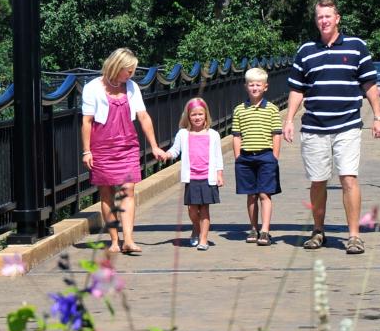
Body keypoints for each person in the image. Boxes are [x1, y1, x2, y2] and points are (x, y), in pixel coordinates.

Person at [282, 0, 380, 254]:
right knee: (318, 181)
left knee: (349, 178)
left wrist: (378, 116)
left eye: (328, 16)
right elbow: (297, 89)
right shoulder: (306, 51)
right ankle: (318, 231)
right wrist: (289, 120)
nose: (324, 21)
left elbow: (369, 85)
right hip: (314, 126)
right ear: (316, 20)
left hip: (348, 125)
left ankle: (353, 236)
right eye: (320, 17)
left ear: (337, 18)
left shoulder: (356, 47)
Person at [80, 48, 168, 255]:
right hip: (101, 146)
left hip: (127, 144)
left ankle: (128, 239)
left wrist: (154, 145)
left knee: (128, 190)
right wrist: (86, 151)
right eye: (128, 71)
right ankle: (114, 240)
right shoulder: (93, 87)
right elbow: (86, 121)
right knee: (107, 193)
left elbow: (143, 116)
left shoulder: (132, 87)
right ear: (117, 67)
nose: (130, 75)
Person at [232, 67, 283, 246]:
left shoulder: (272, 109)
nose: (254, 88)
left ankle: (265, 230)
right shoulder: (239, 110)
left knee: (264, 193)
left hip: (266, 156)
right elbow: (236, 135)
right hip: (246, 157)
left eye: (258, 85)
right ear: (246, 86)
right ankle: (253, 227)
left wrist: (274, 156)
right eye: (251, 85)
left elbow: (276, 133)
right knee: (251, 195)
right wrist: (238, 156)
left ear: (265, 87)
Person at [167, 97, 224, 251]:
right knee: (192, 209)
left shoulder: (213, 134)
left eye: (200, 114)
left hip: (208, 177)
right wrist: (165, 155)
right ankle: (195, 227)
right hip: (191, 177)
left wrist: (219, 174)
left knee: (204, 209)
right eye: (194, 115)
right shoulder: (183, 134)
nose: (197, 117)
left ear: (206, 115)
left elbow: (218, 156)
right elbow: (175, 150)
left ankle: (203, 239)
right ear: (188, 117)